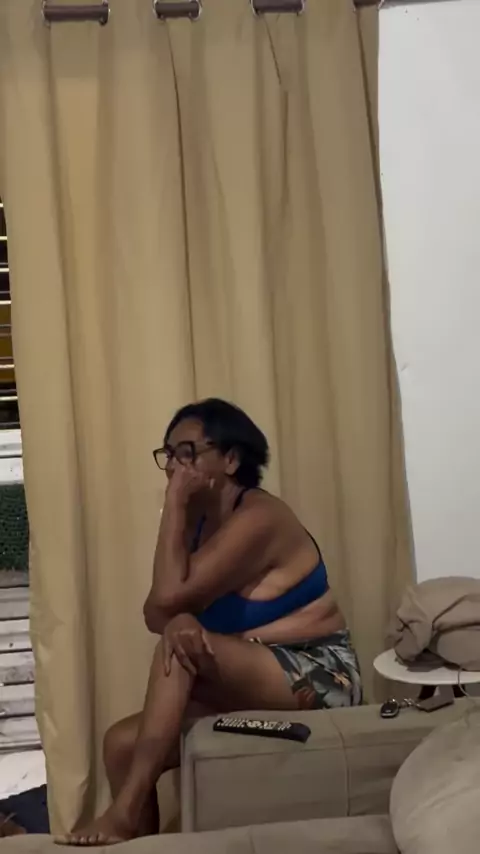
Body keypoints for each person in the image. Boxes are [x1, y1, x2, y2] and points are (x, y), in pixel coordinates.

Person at [58, 398, 362, 846]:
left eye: (187, 453)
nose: (173, 467)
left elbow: (168, 600)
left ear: (231, 460)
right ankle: (136, 844)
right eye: (168, 455)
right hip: (245, 673)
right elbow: (154, 611)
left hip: (318, 673)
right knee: (120, 743)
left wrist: (173, 505)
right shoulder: (197, 521)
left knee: (180, 644)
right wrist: (178, 606)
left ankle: (123, 813)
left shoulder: (260, 518)